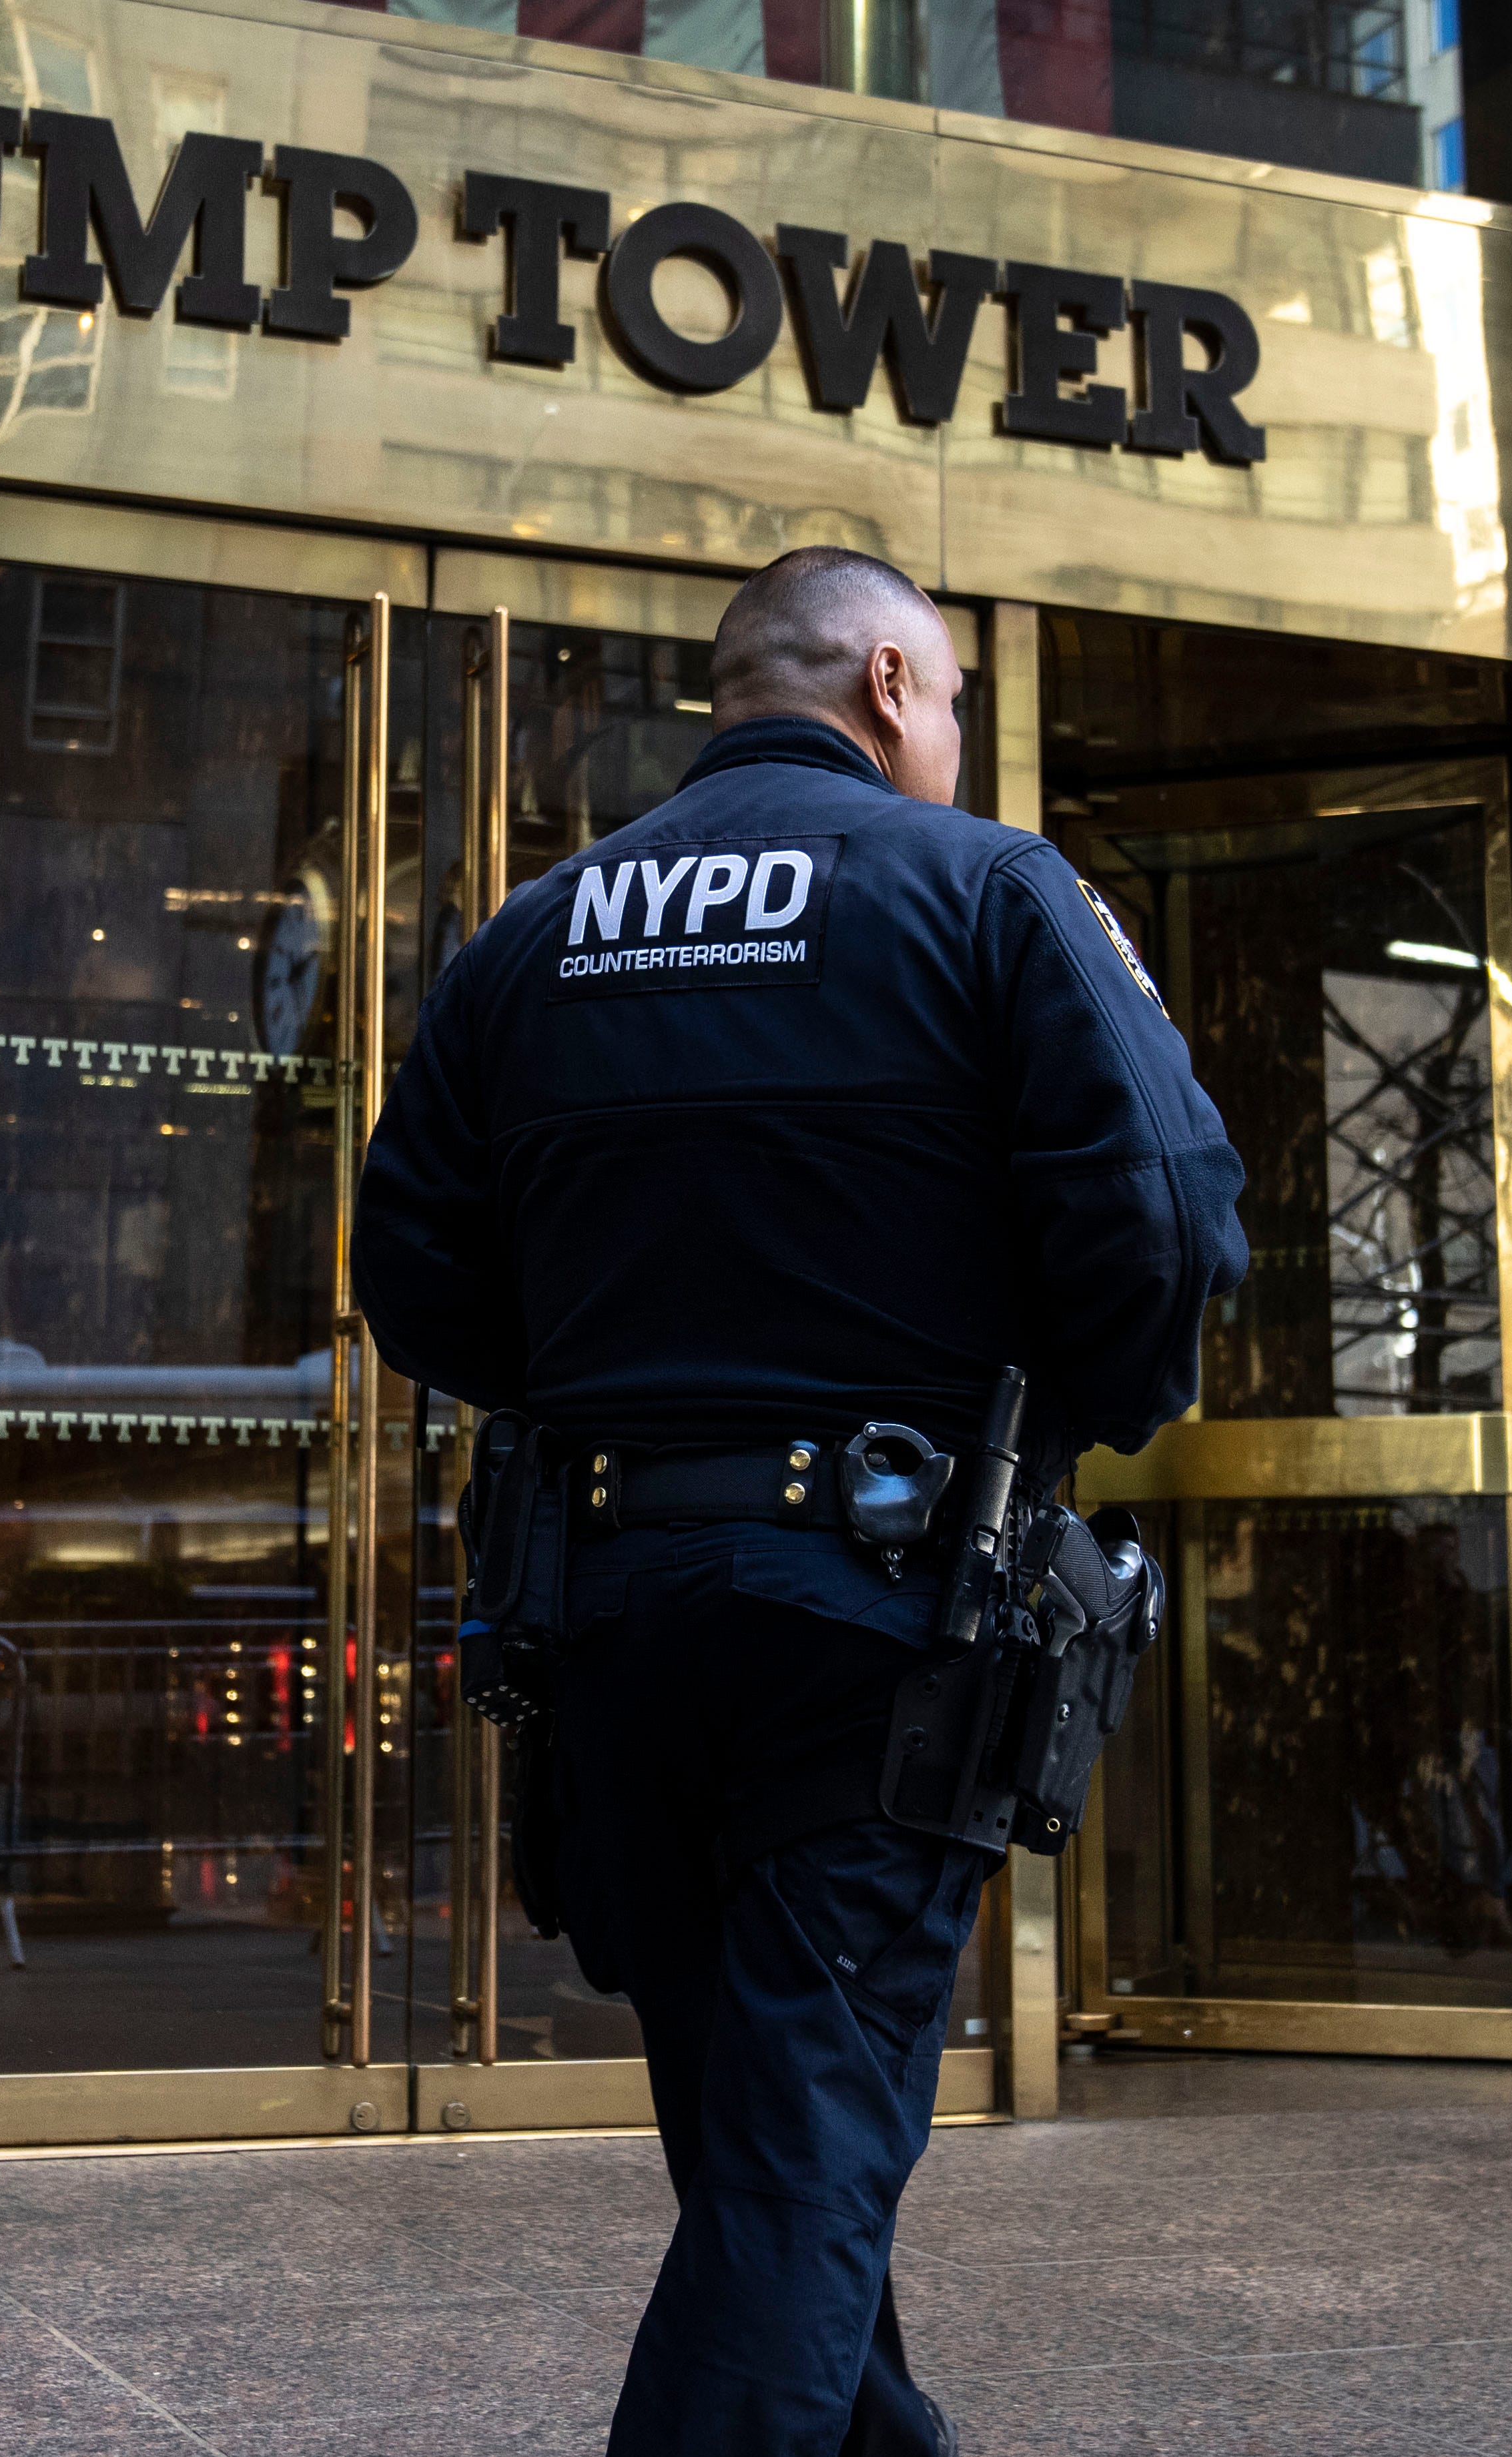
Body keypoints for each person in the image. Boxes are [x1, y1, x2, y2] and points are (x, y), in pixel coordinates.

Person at [356, 547, 1246, 2455]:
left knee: (770, 2142)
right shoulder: (988, 890)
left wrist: (599, 1383)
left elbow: (410, 1272)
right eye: (945, 707)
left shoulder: (532, 930)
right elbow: (1163, 1216)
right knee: (797, 2165)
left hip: (604, 1612)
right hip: (877, 1629)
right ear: (891, 682)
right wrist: (1061, 1424)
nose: (947, 740)